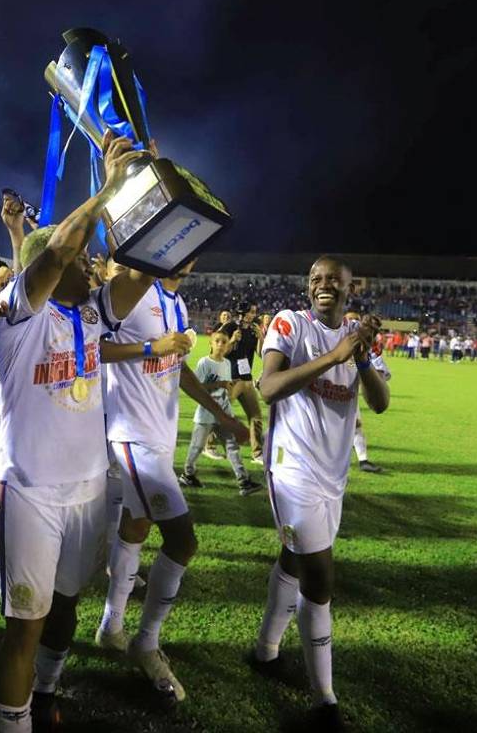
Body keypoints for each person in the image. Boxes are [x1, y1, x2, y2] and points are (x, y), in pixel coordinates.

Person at [0, 132, 153, 733]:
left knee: (65, 609)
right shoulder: (19, 314)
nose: (90, 266)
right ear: (42, 273)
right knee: (24, 627)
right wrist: (106, 185)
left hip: (87, 488)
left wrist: (142, 187)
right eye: (82, 263)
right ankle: (14, 722)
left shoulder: (89, 314)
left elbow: (138, 271)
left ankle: (49, 694)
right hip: (31, 489)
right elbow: (57, 251)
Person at [96, 259, 250, 702]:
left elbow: (177, 368)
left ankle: (111, 627)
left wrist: (220, 414)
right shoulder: (129, 293)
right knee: (183, 541)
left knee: (136, 526)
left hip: (159, 438)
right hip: (131, 436)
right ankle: (145, 643)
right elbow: (94, 347)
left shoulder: (176, 302)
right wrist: (150, 348)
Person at [250, 256, 389, 731]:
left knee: (295, 559)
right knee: (320, 577)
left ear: (352, 287)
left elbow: (381, 402)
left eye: (334, 279)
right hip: (291, 469)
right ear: (308, 288)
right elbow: (268, 388)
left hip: (333, 476)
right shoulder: (290, 323)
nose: (323, 285)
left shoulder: (356, 335)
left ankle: (266, 649)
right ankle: (324, 698)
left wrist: (362, 354)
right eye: (316, 279)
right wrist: (335, 356)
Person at [183, 330, 260, 493]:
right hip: (205, 414)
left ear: (227, 347)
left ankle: (243, 481)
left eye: (224, 342)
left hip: (224, 413)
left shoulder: (226, 364)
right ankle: (187, 474)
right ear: (210, 343)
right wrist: (220, 384)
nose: (220, 344)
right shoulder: (204, 363)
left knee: (232, 446)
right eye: (217, 341)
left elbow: (225, 388)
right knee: (197, 446)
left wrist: (231, 386)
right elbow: (197, 387)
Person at [216, 304, 266, 462]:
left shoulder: (253, 329)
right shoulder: (230, 326)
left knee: (256, 417)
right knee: (220, 413)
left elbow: (260, 354)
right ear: (242, 313)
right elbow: (220, 351)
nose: (254, 315)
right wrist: (231, 340)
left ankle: (257, 453)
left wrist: (261, 338)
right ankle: (209, 445)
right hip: (232, 378)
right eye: (251, 312)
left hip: (246, 378)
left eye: (254, 312)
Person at [344, 312, 391, 474]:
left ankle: (363, 460)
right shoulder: (330, 340)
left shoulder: (367, 348)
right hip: (325, 395)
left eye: (355, 323)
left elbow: (381, 376)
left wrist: (364, 360)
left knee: (356, 426)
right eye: (350, 322)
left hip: (349, 395)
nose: (353, 326)